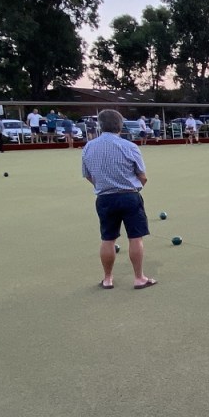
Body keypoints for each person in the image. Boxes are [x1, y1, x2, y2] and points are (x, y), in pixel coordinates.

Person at [81, 109, 156, 290]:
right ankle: (139, 278)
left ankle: (108, 279)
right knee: (135, 238)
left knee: (108, 239)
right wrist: (134, 187)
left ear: (100, 125)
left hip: (104, 198)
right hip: (129, 196)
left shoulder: (89, 147)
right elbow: (143, 176)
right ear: (120, 126)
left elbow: (87, 175)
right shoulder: (129, 146)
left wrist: (103, 185)